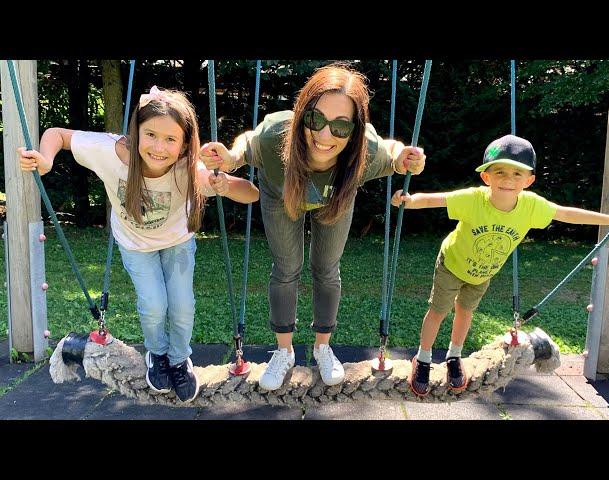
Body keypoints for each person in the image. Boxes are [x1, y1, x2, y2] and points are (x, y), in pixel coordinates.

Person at [18, 86, 259, 403]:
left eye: (171, 139)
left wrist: (224, 185)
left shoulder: (189, 168)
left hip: (177, 242)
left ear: (185, 143)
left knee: (182, 307)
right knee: (154, 305)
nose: (159, 147)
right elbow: (58, 134)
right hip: (134, 244)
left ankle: (178, 358)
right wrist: (46, 159)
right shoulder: (110, 152)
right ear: (136, 132)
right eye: (151, 135)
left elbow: (251, 193)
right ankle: (158, 355)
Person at [200, 63, 426, 390]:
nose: (324, 135)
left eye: (340, 126)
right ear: (302, 113)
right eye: (315, 119)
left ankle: (322, 347)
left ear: (355, 130)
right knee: (287, 267)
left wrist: (405, 158)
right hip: (282, 195)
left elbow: (390, 153)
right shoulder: (277, 135)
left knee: (326, 268)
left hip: (336, 199)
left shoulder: (364, 150)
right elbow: (247, 145)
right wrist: (230, 158)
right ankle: (284, 351)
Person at [391, 134, 609, 396]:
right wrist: (408, 200)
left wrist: (608, 219)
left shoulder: (531, 207)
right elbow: (436, 200)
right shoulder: (474, 199)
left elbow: (566, 213)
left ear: (529, 180)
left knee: (465, 312)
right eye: (500, 172)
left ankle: (454, 356)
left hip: (483, 273)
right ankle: (423, 358)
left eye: (517, 174)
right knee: (438, 311)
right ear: (486, 177)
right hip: (452, 264)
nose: (508, 179)